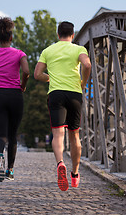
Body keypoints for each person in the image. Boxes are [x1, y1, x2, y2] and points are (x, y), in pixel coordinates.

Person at [34, 21, 91, 191]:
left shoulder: (48, 51)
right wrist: (83, 83)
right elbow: (87, 65)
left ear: (58, 35)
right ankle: (74, 174)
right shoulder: (78, 49)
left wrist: (49, 78)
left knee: (58, 134)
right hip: (74, 94)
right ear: (72, 35)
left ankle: (60, 163)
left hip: (56, 94)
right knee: (74, 136)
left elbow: (37, 74)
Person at [0, 17, 30, 182]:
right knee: (13, 135)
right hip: (15, 96)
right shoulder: (19, 54)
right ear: (11, 38)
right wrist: (22, 85)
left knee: (2, 136)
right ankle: (10, 170)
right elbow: (26, 71)